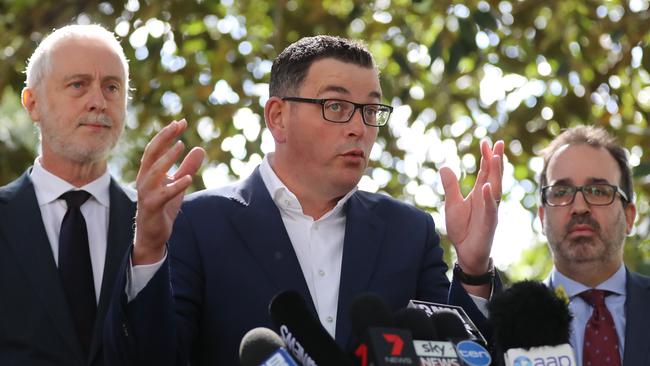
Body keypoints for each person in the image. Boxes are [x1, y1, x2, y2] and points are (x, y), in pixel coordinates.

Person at [105, 35, 503, 365]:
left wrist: (471, 270)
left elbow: (458, 356)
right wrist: (149, 250)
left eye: (370, 110)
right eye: (336, 106)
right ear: (277, 117)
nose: (358, 128)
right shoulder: (197, 222)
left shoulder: (408, 232)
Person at [0, 24, 136, 366]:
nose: (98, 102)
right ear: (32, 103)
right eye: (78, 85)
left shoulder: (163, 222)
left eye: (112, 87)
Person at [540, 126, 650, 365]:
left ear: (629, 217)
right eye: (561, 192)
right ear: (542, 217)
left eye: (599, 191)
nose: (579, 207)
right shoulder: (504, 321)